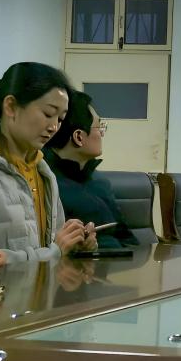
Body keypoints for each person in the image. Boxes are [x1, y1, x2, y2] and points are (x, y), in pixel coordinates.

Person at [0, 62, 98, 261]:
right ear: (10, 106)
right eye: (48, 114)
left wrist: (74, 246)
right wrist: (55, 251)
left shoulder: (43, 171)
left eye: (60, 119)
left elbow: (55, 246)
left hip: (39, 282)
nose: (54, 127)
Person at [43, 91, 138, 249]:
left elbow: (128, 240)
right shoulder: (46, 182)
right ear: (79, 137)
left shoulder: (99, 182)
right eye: (99, 127)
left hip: (119, 261)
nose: (102, 133)